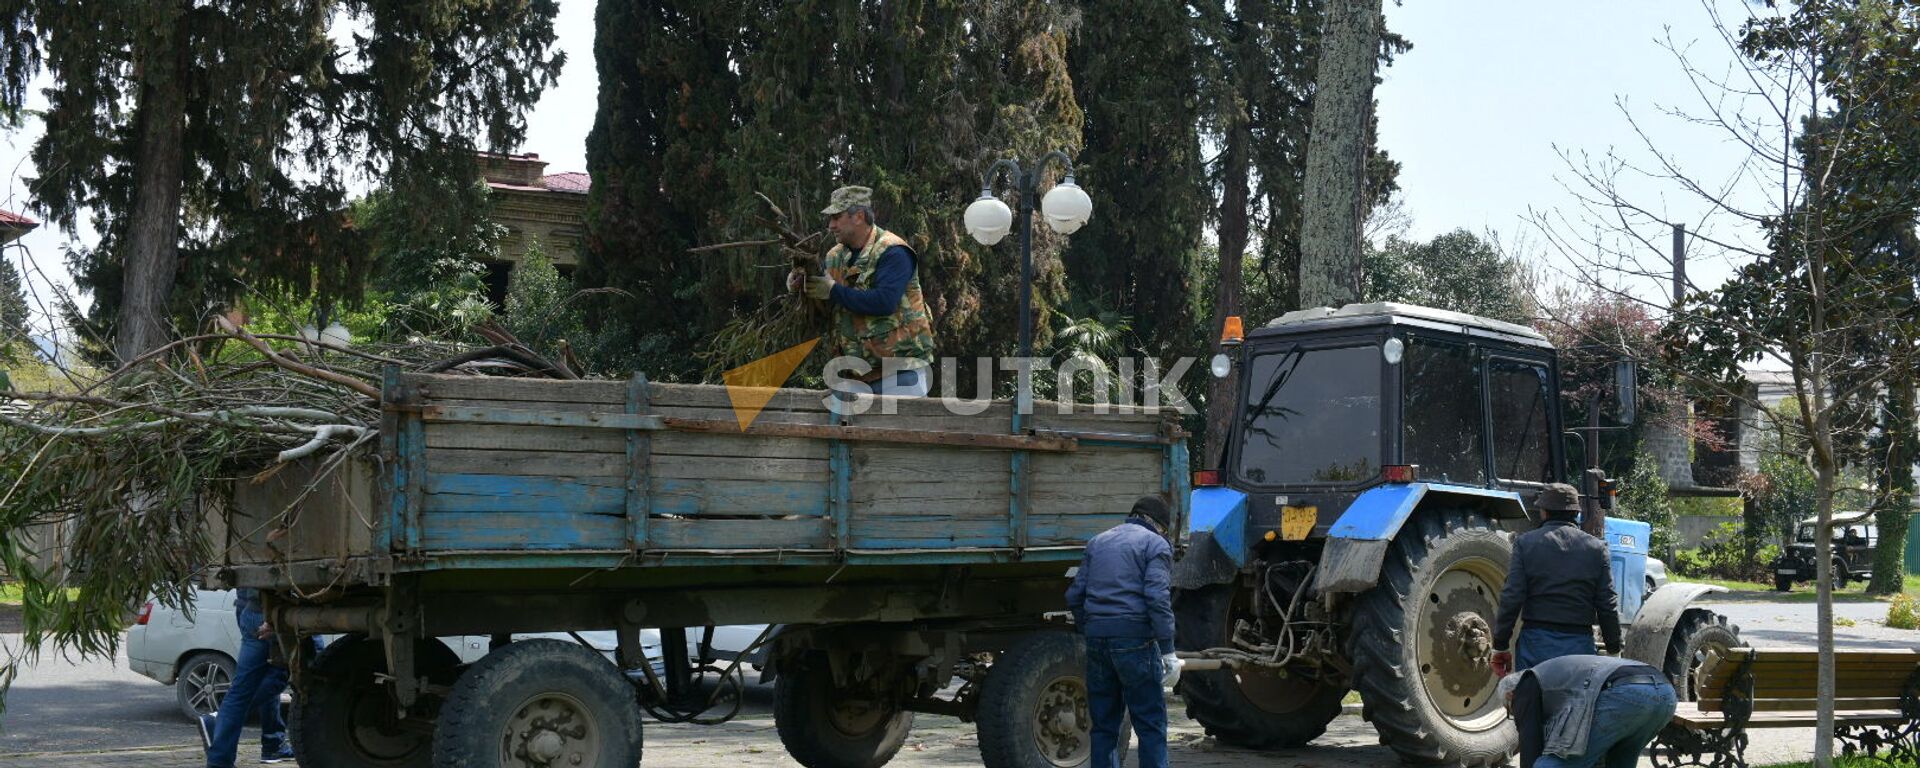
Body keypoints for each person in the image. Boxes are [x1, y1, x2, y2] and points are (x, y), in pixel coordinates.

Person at [788, 185, 936, 398]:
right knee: (843, 432)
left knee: (895, 431)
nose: (831, 226)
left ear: (858, 216)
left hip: (900, 373)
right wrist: (799, 283)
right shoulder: (835, 256)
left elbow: (884, 302)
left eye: (837, 217)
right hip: (853, 377)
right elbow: (823, 300)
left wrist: (832, 291)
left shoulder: (893, 251)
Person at [1065, 495, 1178, 768]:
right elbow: (1157, 598)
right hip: (1136, 640)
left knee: (1104, 725)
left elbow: (1074, 595)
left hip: (1097, 638)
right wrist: (1168, 650)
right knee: (1150, 723)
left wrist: (1090, 628)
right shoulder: (1156, 544)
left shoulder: (1098, 541)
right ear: (1159, 524)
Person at [1491, 483, 1622, 675]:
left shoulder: (1525, 544)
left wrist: (1501, 645)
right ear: (1575, 513)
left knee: (1532, 701)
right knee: (1576, 702)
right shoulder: (1596, 549)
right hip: (1579, 647)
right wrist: (1613, 648)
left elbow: (1512, 596)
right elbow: (1607, 604)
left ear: (1544, 511)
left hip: (1535, 645)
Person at [1498, 653, 1678, 768]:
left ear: (1510, 695)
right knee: (1619, 763)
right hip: (1665, 694)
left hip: (1626, 693)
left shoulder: (1524, 685)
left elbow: (1530, 743)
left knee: (1556, 762)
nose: (1517, 713)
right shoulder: (1550, 676)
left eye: (1512, 711)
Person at [198, 588, 297, 767]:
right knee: (295, 676)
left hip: (255, 609)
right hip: (275, 611)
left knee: (243, 689)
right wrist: (273, 620)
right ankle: (271, 743)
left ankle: (223, 759)